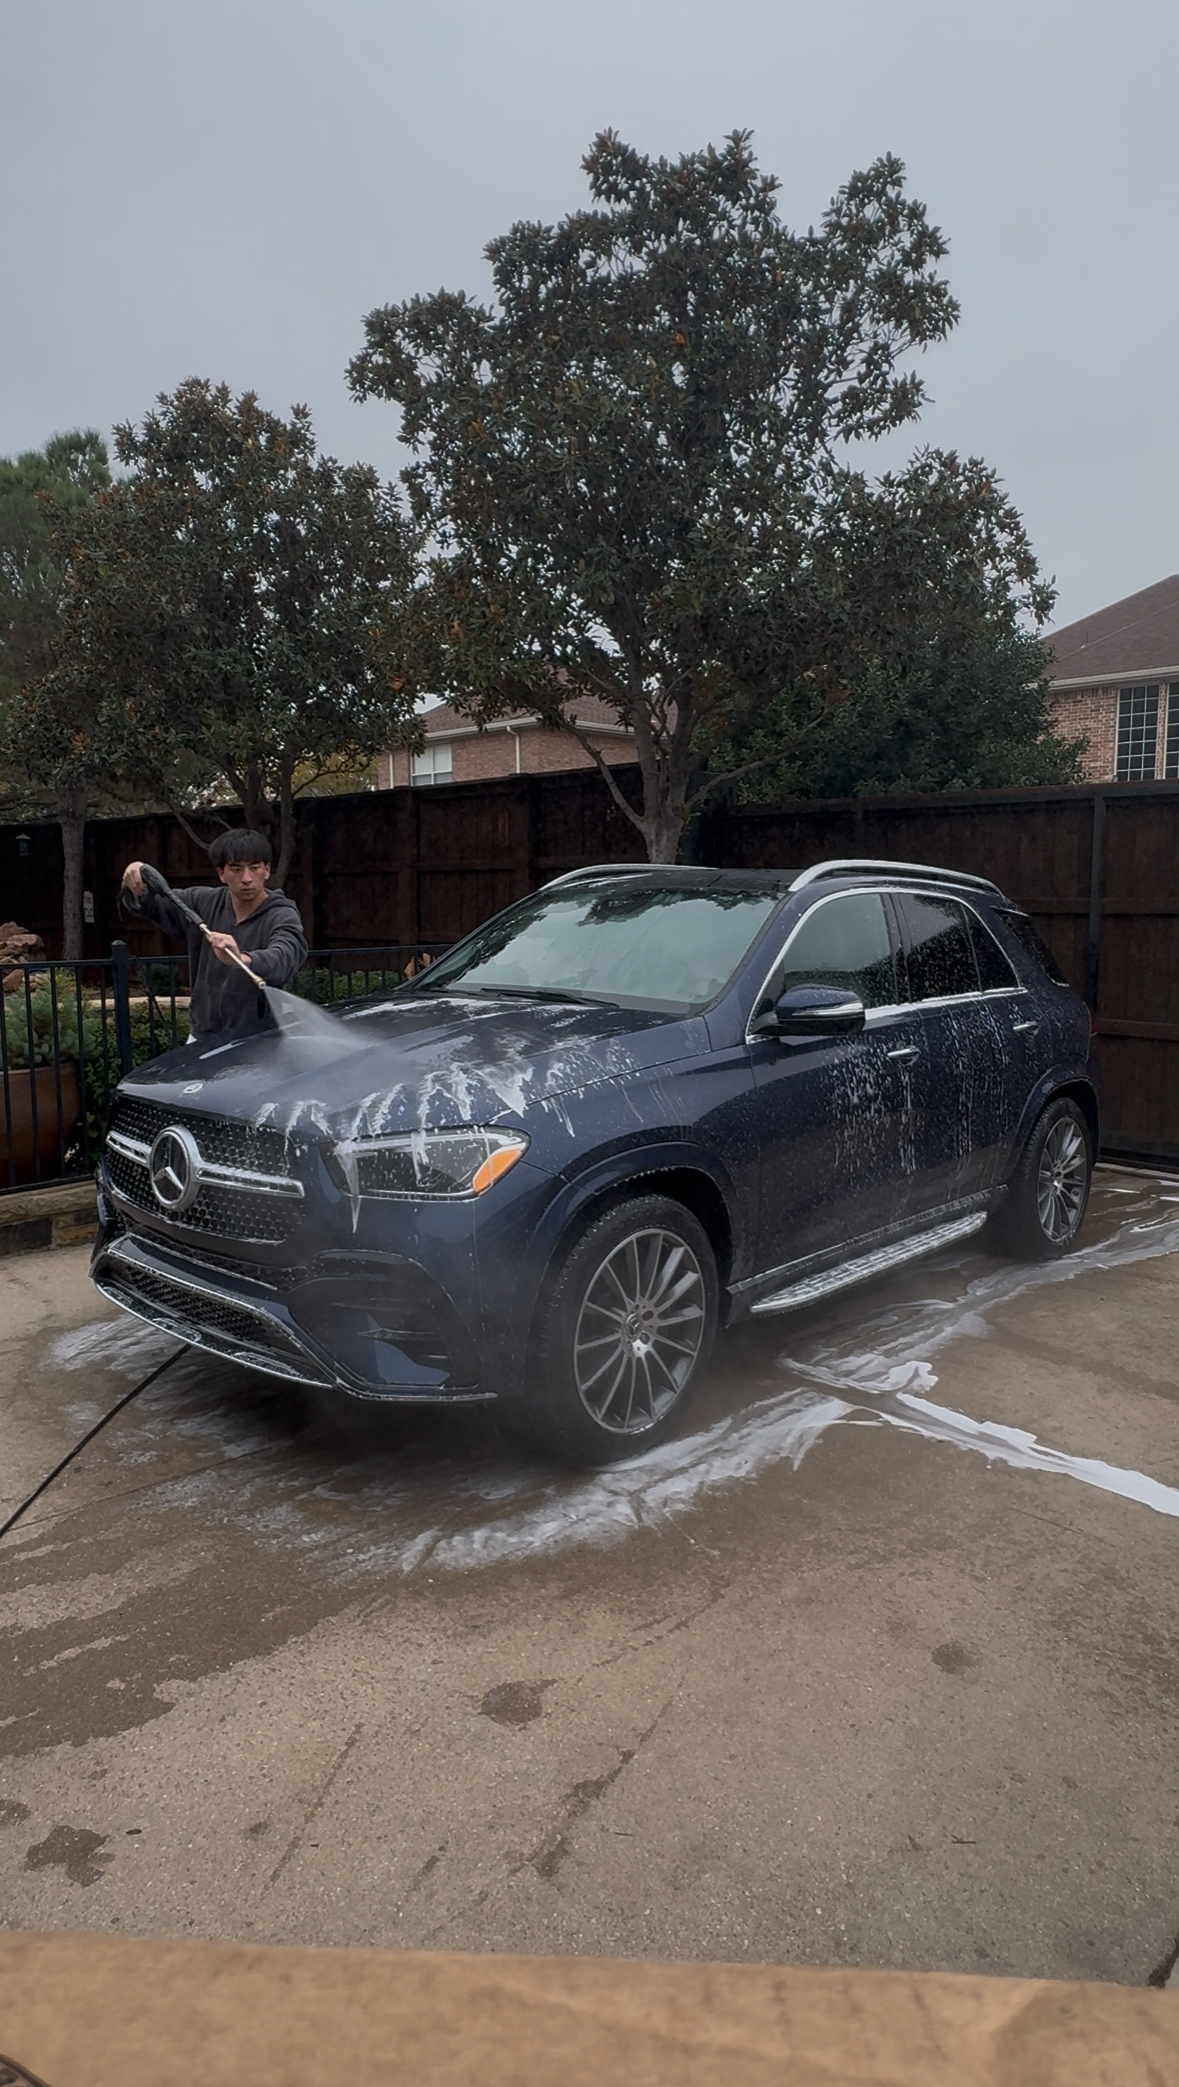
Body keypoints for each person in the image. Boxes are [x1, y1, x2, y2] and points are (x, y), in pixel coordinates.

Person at [120, 829, 307, 1042]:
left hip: (257, 1042)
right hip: (202, 1035)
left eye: (254, 868)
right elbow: (156, 904)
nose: (246, 878)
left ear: (266, 870)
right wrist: (137, 881)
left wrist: (243, 959)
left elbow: (286, 954)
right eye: (236, 869)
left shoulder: (281, 914)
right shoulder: (202, 902)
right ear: (221, 873)